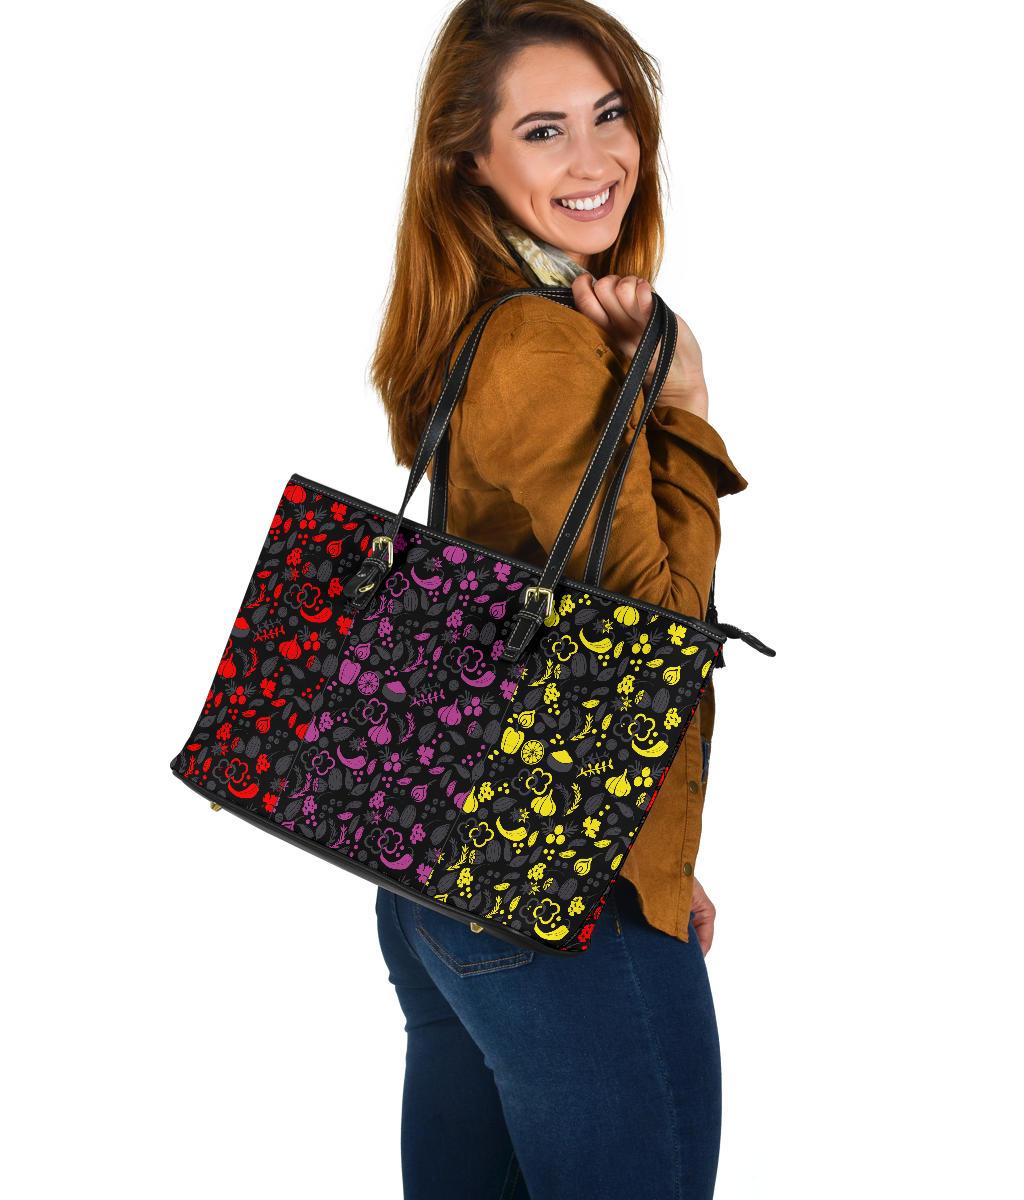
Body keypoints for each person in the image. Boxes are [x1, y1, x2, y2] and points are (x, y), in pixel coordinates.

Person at [370, 3, 750, 1197]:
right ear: (468, 160)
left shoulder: (490, 321)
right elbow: (655, 630)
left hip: (457, 866)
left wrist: (658, 859)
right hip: (558, 890)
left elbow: (540, 622)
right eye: (543, 131)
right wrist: (683, 406)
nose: (595, 159)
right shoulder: (540, 344)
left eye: (609, 114)